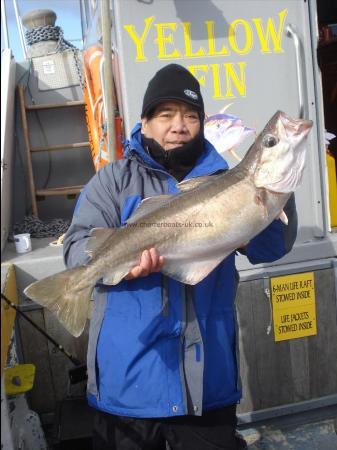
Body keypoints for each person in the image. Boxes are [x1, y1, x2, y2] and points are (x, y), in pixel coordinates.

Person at [63, 64, 297, 450]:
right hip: (130, 381)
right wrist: (122, 267)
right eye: (165, 114)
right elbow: (76, 250)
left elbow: (273, 247)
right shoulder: (112, 181)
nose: (179, 125)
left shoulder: (229, 178)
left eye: (191, 116)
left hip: (208, 383)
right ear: (145, 122)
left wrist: (245, 225)